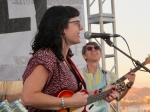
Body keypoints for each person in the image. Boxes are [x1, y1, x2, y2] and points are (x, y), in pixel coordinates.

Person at [21, 6, 119, 112]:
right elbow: (28, 97)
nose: (81, 27)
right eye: (77, 23)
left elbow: (75, 100)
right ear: (62, 27)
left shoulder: (65, 61)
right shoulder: (45, 57)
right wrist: (69, 102)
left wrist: (101, 93)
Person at [79, 42, 136, 112]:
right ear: (84, 56)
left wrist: (129, 85)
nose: (93, 49)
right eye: (89, 48)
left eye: (96, 48)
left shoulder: (111, 75)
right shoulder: (77, 73)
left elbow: (118, 97)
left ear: (100, 55)